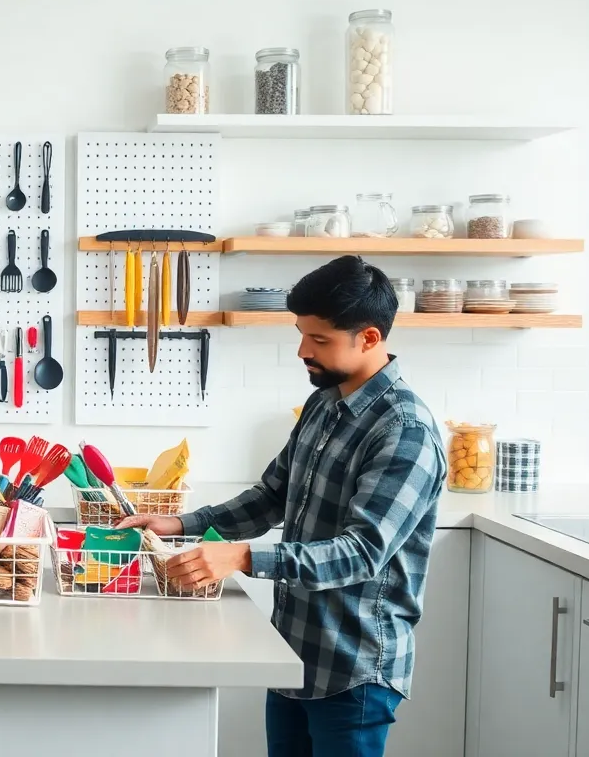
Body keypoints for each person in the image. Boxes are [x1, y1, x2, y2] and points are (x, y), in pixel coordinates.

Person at [119, 256, 446, 757]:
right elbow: (271, 495)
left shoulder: (405, 430)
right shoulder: (324, 402)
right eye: (301, 334)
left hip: (353, 667)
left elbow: (361, 553)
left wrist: (244, 557)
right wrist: (181, 522)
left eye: (319, 340)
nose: (302, 351)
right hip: (294, 652)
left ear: (370, 339)